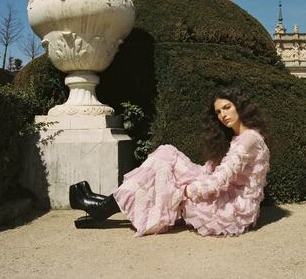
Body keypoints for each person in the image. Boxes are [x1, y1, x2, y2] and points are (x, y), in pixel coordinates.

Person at [69, 88, 270, 237]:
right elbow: (211, 171)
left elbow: (219, 181)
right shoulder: (238, 137)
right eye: (218, 112)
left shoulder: (248, 139)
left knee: (166, 167)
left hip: (232, 209)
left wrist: (184, 190)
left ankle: (103, 205)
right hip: (226, 196)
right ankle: (104, 203)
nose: (223, 115)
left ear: (240, 107)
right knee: (166, 154)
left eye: (227, 108)